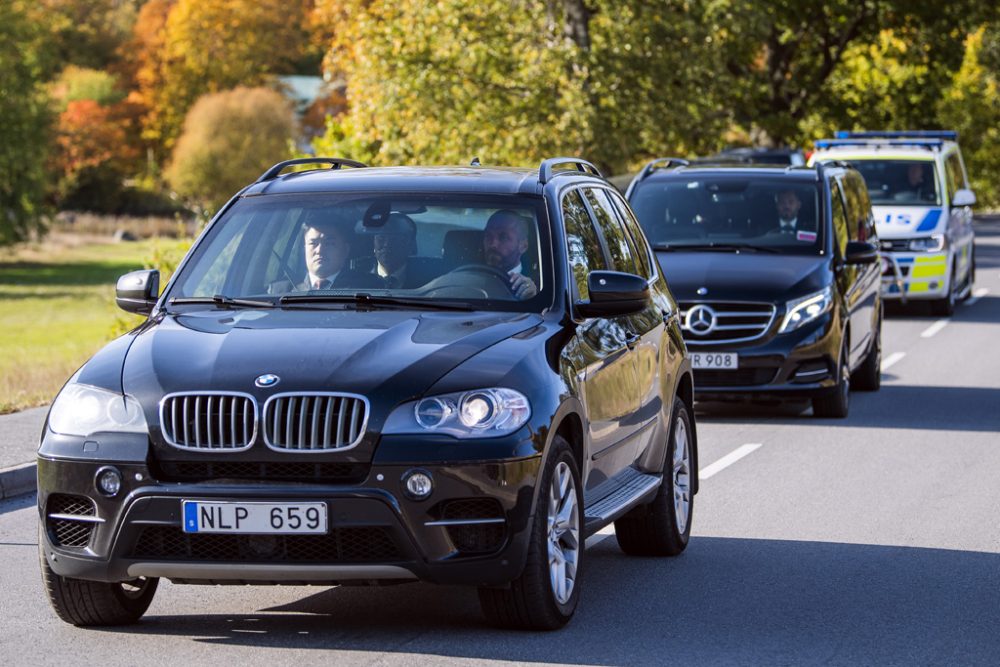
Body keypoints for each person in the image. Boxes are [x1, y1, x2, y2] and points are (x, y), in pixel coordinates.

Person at [269, 219, 381, 293]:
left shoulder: (368, 288)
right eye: (313, 243)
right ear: (304, 248)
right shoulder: (279, 291)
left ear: (345, 250)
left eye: (329, 243)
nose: (319, 250)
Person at [369, 213, 440, 288]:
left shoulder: (430, 281)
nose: (387, 244)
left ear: (411, 245)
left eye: (395, 239)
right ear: (373, 242)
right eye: (381, 238)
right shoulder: (357, 275)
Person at [483, 209, 538, 299]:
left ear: (523, 246)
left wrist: (532, 298)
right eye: (488, 236)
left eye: (503, 237)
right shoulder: (466, 278)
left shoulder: (540, 286)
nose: (493, 244)